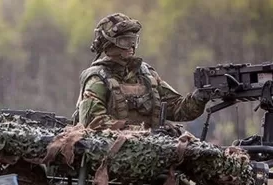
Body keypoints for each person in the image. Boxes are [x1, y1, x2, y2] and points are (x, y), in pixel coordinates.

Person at [74, 13, 213, 132]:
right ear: (108, 45)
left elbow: (177, 109)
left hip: (152, 153)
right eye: (124, 41)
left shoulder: (146, 74)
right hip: (111, 157)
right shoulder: (97, 78)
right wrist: (142, 132)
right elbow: (94, 124)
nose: (131, 46)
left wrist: (199, 97)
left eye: (134, 40)